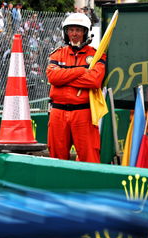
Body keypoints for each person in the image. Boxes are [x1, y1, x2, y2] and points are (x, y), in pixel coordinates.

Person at [46, 12, 106, 163]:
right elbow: (53, 77)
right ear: (66, 32)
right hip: (57, 113)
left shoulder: (96, 56)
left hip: (83, 113)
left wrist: (64, 77)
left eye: (78, 30)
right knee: (56, 159)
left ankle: (89, 187)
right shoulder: (57, 54)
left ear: (86, 32)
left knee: (89, 157)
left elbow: (94, 81)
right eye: (71, 30)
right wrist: (81, 71)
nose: (74, 34)